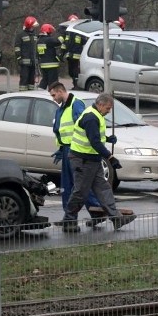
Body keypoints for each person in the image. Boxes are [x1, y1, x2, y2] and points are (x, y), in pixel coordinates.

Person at [61, 93, 137, 233]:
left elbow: (95, 137)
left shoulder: (96, 115)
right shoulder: (91, 117)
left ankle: (116, 218)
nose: (109, 111)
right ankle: (69, 220)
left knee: (103, 189)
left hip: (92, 160)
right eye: (108, 108)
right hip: (82, 160)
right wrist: (111, 157)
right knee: (80, 192)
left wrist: (107, 139)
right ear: (100, 105)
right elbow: (94, 142)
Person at [48, 82, 105, 223]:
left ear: (61, 91)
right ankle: (70, 217)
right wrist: (61, 149)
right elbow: (62, 130)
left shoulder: (76, 104)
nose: (53, 98)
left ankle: (95, 212)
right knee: (68, 186)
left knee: (80, 186)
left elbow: (85, 127)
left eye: (54, 95)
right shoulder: (61, 108)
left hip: (76, 151)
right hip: (68, 150)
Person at [61, 14, 86, 90]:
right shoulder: (67, 33)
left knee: (76, 72)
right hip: (69, 56)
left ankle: (77, 85)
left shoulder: (80, 32)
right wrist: (62, 54)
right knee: (71, 72)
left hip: (78, 56)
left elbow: (84, 42)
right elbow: (65, 44)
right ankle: (74, 84)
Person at [14, 16, 39, 91]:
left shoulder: (34, 35)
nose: (33, 28)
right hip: (24, 63)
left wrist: (37, 58)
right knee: (24, 79)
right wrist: (19, 58)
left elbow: (36, 47)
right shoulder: (21, 35)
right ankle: (22, 93)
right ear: (29, 26)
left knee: (32, 80)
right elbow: (17, 48)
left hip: (33, 62)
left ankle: (30, 93)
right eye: (32, 26)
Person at [37, 24, 61, 90]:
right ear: (48, 31)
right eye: (50, 32)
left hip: (43, 65)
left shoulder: (39, 40)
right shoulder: (48, 40)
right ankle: (52, 95)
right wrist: (62, 34)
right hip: (51, 65)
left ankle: (39, 93)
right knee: (53, 82)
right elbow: (58, 42)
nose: (51, 33)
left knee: (45, 80)